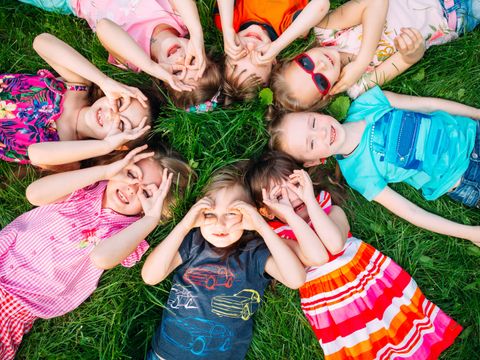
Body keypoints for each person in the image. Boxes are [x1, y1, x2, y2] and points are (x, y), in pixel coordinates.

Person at [245, 150, 463, 360]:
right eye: (279, 196)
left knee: (396, 322)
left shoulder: (331, 211)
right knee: (361, 346)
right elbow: (316, 255)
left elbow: (335, 243)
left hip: (368, 280)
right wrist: (291, 216)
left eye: (294, 184)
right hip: (332, 305)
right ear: (268, 211)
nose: (292, 196)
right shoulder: (281, 239)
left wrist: (311, 201)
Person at [0, 144, 195, 359]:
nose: (132, 188)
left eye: (147, 192)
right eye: (131, 174)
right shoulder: (84, 187)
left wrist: (149, 220)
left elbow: (101, 258)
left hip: (15, 307)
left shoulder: (127, 234)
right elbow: (34, 194)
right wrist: (105, 171)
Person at [267, 86, 480, 244]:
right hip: (466, 178)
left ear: (316, 112)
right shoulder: (358, 174)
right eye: (311, 143)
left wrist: (477, 113)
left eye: (312, 123)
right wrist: (469, 233)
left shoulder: (366, 104)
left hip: (473, 132)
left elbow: (428, 104)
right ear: (313, 161)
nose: (321, 133)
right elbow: (410, 212)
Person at [141, 163, 305, 359]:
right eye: (210, 214)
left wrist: (261, 227)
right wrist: (184, 226)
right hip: (165, 355)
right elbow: (150, 277)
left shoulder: (254, 253)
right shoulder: (193, 243)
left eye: (231, 213)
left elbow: (296, 279)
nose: (220, 224)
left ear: (249, 214)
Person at [270, 0, 480, 111]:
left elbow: (376, 2)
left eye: (306, 63)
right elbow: (408, 60)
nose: (321, 66)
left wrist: (362, 62)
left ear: (299, 54)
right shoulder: (359, 86)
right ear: (328, 95)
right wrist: (412, 51)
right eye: (319, 80)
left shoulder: (327, 32)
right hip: (454, 18)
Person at [18, 0, 222, 110]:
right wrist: (196, 33)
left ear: (164, 79)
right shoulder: (180, 19)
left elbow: (104, 28)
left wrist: (152, 68)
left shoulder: (135, 59)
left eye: (178, 73)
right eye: (192, 60)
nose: (181, 61)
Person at [0, 33, 151, 168]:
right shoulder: (78, 87)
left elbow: (36, 154)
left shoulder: (71, 154)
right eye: (119, 103)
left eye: (122, 124)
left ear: (120, 144)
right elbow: (41, 42)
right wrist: (104, 81)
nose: (112, 114)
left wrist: (106, 145)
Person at [214, 0, 329, 103]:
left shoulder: (230, 22)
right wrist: (277, 45)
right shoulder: (288, 28)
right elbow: (321, 4)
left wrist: (227, 27)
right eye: (261, 55)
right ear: (273, 60)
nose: (251, 44)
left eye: (241, 51)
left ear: (227, 50)